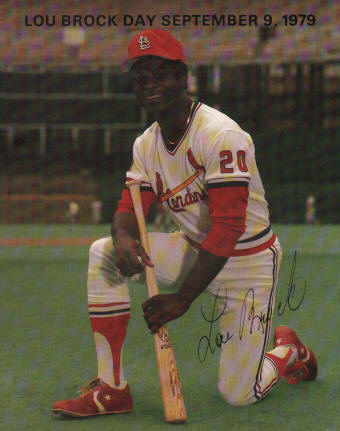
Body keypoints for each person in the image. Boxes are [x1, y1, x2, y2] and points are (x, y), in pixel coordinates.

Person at [53, 29, 317, 417]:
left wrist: (183, 298)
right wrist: (123, 235)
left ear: (182, 77)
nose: (149, 86)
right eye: (141, 79)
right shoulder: (146, 144)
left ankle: (288, 350)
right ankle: (112, 388)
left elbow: (228, 226)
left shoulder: (220, 134)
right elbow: (129, 206)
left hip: (248, 263)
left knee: (239, 393)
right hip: (194, 251)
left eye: (160, 74)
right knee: (105, 253)